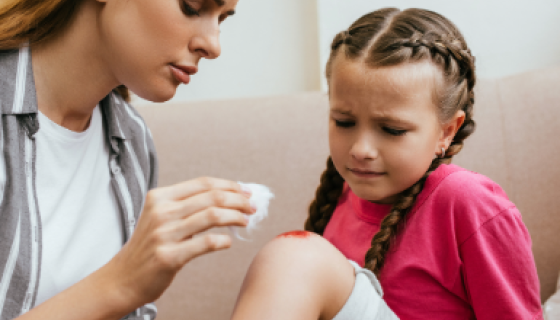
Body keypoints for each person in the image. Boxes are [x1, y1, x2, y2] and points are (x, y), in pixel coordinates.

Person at [230, 8, 543, 320]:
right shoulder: (340, 196)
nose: (361, 149)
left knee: (294, 255)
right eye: (344, 122)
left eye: (392, 130)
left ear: (446, 131)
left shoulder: (469, 202)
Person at [0, 0, 254, 319]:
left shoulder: (132, 140)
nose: (213, 45)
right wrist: (121, 285)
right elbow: (122, 290)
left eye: (222, 19)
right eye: (192, 7)